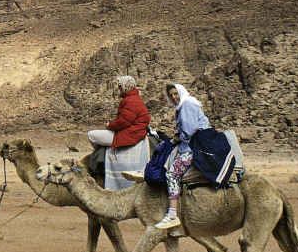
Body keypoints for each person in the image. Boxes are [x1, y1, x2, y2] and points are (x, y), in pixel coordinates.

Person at [155, 82, 209, 231]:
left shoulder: (186, 106)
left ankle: (172, 214)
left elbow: (189, 131)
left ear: (181, 92)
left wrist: (177, 138)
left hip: (193, 148)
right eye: (171, 95)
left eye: (175, 94)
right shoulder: (187, 105)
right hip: (192, 144)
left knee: (171, 174)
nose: (174, 97)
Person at [85, 75, 154, 190]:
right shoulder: (134, 99)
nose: (119, 89)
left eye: (120, 87)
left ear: (126, 87)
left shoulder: (130, 101)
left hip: (128, 134)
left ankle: (99, 158)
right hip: (133, 132)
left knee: (92, 135)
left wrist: (109, 125)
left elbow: (124, 122)